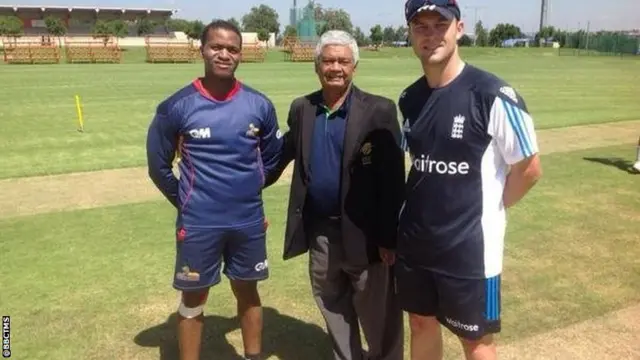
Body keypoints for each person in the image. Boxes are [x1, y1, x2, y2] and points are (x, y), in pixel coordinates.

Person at [394, 1, 543, 359]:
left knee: (477, 343)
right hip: (416, 245)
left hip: (470, 252)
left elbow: (530, 168)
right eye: (421, 26)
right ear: (411, 34)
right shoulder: (410, 98)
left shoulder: (492, 95)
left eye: (439, 25)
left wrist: (491, 207)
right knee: (420, 323)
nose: (431, 35)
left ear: (458, 28)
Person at [146, 19, 283, 360]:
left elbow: (271, 162)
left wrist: (247, 190)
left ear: (241, 54)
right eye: (216, 47)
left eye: (232, 49)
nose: (224, 54)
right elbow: (158, 167)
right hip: (199, 223)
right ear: (202, 49)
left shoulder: (259, 105)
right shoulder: (176, 106)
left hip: (247, 221)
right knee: (194, 297)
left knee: (248, 291)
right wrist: (187, 199)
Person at [264, 30, 406, 360]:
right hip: (321, 234)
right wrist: (238, 180)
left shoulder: (379, 110)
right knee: (332, 303)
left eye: (343, 61)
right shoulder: (303, 109)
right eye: (328, 60)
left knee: (378, 314)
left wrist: (389, 238)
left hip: (367, 236)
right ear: (317, 66)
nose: (336, 67)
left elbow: (393, 180)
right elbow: (280, 155)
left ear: (354, 66)